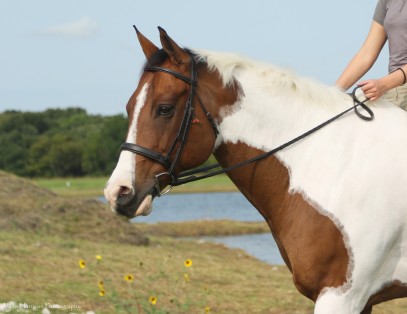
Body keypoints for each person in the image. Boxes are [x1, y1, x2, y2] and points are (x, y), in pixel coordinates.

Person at [336, 0, 407, 110]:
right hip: (394, 91)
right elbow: (367, 53)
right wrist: (334, 93)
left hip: (390, 85)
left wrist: (384, 84)